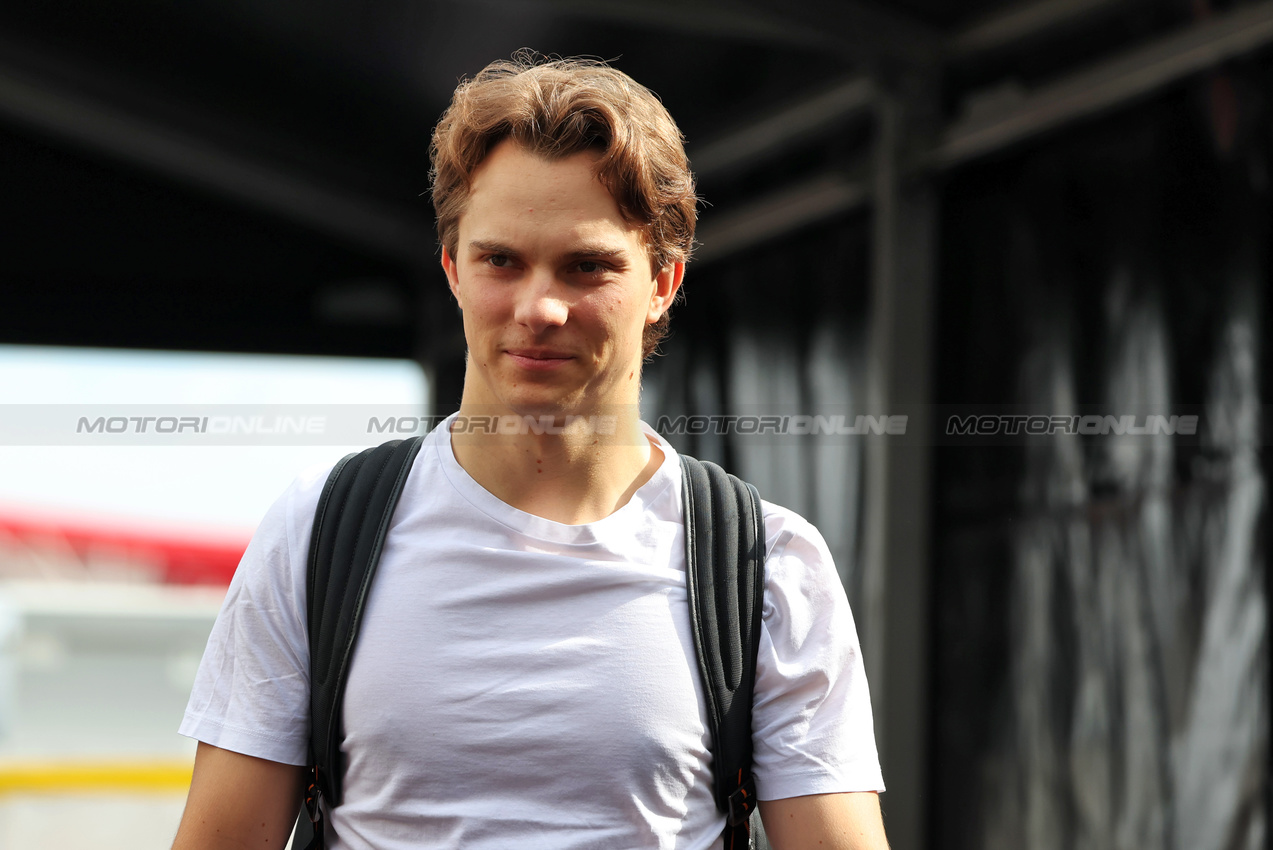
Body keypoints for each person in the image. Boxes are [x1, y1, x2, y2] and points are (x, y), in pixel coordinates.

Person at [172, 54, 889, 850]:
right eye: (500, 260)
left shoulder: (765, 565)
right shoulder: (319, 533)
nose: (539, 307)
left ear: (662, 283)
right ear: (452, 269)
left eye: (587, 266)